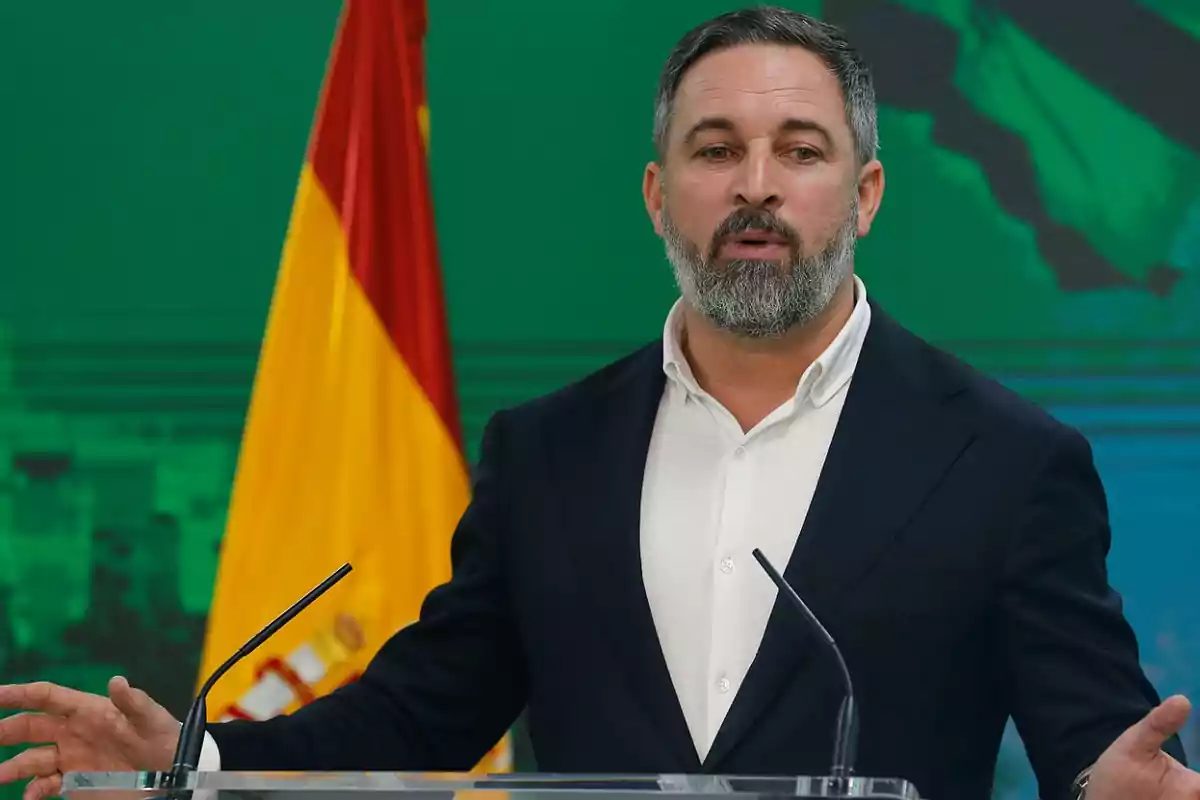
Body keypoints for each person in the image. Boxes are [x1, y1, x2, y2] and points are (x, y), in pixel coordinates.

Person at [0, 7, 1197, 800]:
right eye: (716, 149)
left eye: (802, 149)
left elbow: (1098, 740)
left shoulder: (1003, 457)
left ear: (870, 191)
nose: (758, 187)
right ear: (657, 194)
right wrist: (195, 760)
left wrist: (1114, 783)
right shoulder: (549, 452)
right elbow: (420, 714)